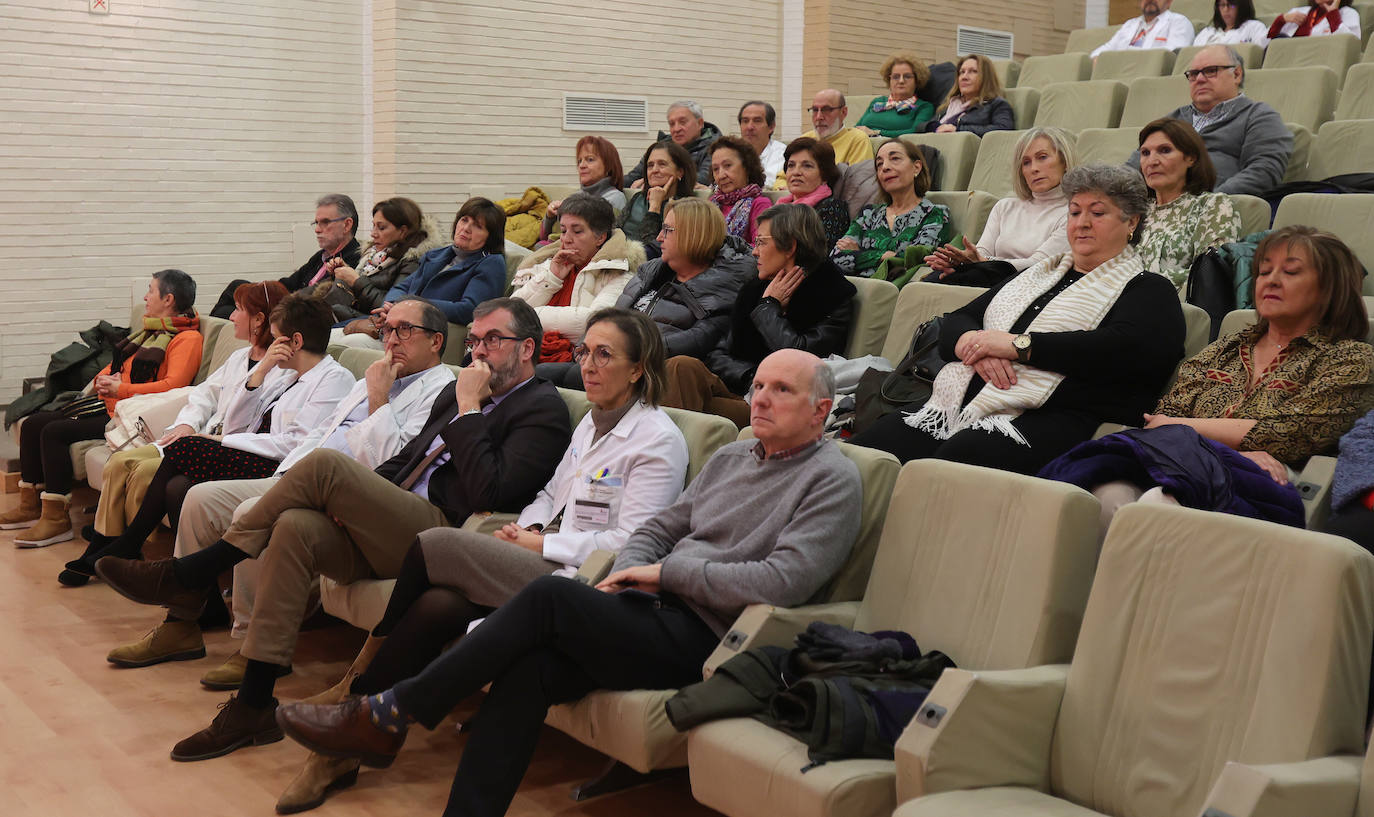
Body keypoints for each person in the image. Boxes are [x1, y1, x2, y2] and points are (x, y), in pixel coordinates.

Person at [272, 348, 862, 817]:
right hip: (650, 607)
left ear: (821, 410)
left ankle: (387, 712)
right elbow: (660, 527)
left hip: (714, 638)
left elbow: (783, 582)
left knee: (553, 595)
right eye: (757, 386)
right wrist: (635, 571)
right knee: (529, 670)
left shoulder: (831, 479)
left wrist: (664, 573)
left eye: (781, 390)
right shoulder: (735, 457)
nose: (760, 399)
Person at [94, 298, 572, 762]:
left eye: (493, 341)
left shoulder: (539, 408)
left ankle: (192, 572)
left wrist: (469, 409)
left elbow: (489, 492)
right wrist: (360, 502)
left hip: (443, 533)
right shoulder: (457, 391)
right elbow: (403, 462)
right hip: (395, 514)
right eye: (476, 341)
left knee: (324, 465)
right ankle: (253, 704)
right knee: (295, 525)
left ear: (527, 348)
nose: (480, 352)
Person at [272, 308, 689, 813]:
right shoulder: (594, 423)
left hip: (584, 577)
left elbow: (633, 541)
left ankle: (360, 700)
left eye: (605, 355)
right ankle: (353, 738)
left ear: (639, 368)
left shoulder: (658, 439)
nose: (588, 366)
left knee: (434, 545)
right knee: (440, 605)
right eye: (584, 352)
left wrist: (544, 546)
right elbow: (550, 492)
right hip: (541, 555)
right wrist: (530, 526)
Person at [104, 297, 456, 675]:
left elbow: (390, 463)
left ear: (436, 341)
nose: (391, 340)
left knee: (246, 511)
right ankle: (181, 624)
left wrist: (378, 397)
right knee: (199, 498)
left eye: (405, 330)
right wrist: (285, 474)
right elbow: (322, 435)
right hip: (296, 473)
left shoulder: (439, 390)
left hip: (352, 493)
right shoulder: (374, 373)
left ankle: (251, 641)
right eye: (388, 330)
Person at [849, 164, 1186, 474]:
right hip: (962, 397)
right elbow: (958, 320)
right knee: (862, 455)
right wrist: (974, 345)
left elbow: (1127, 353)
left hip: (1055, 414)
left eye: (1098, 213)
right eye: (1074, 211)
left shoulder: (1148, 289)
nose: (1081, 222)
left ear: (1132, 222)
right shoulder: (1037, 274)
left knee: (947, 469)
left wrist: (1017, 347)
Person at [1044, 225, 1374, 530]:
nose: (1270, 280)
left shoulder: (1349, 358)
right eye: (1263, 271)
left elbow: (1288, 434)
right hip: (1187, 460)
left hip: (1276, 477)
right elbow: (1163, 418)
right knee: (1107, 495)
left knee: (1164, 502)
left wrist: (1198, 439)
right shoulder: (1226, 346)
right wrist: (1227, 451)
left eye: (1290, 272)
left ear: (1330, 289)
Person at [61, 294, 357, 580]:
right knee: (178, 486)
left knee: (186, 448)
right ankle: (196, 590)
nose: (270, 344)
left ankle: (130, 542)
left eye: (277, 338)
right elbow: (239, 421)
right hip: (254, 451)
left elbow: (295, 445)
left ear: (295, 342)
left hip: (280, 468)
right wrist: (260, 373)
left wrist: (222, 442)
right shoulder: (287, 375)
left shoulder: (334, 379)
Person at [3, 269, 204, 547]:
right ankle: (30, 507)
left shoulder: (186, 339)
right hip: (114, 402)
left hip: (133, 416)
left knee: (53, 432)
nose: (145, 297)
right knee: (35, 422)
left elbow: (173, 387)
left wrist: (121, 389)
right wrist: (104, 379)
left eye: (150, 290)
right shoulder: (151, 329)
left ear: (168, 299)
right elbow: (118, 364)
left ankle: (56, 521)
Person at [663, 205, 856, 427]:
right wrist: (752, 377)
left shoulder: (831, 293)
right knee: (681, 367)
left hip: (781, 404)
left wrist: (768, 308)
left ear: (790, 246)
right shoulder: (754, 288)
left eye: (762, 242)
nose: (754, 251)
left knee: (678, 394)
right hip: (743, 389)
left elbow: (799, 358)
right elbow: (718, 354)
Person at [536, 199, 752, 389]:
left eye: (667, 230)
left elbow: (697, 341)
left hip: (652, 372)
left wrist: (621, 351)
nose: (658, 237)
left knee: (543, 379)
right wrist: (586, 347)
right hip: (615, 361)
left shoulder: (722, 286)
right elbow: (611, 318)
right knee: (533, 377)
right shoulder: (652, 272)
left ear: (693, 235)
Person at [335, 197, 506, 349]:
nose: (466, 228)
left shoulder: (490, 263)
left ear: (490, 237)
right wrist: (394, 305)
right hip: (396, 327)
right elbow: (402, 287)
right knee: (328, 339)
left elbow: (470, 309)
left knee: (347, 345)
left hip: (425, 338)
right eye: (464, 220)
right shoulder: (438, 254)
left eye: (477, 226)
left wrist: (412, 307)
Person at [925, 127, 1075, 287]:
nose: (1034, 169)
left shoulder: (1075, 214)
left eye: (1042, 157)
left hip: (1028, 284)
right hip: (987, 275)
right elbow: (981, 253)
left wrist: (982, 261)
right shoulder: (1005, 206)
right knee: (938, 277)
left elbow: (1037, 264)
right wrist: (959, 260)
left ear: (1064, 161)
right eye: (1026, 163)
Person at [1141, 45, 1292, 196]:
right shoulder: (1172, 120)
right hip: (1159, 208)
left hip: (1216, 210)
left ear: (1236, 74)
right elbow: (1133, 168)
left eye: (1210, 71)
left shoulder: (1259, 116)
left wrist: (1209, 203)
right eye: (1193, 74)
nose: (1199, 79)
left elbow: (1264, 171)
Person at [510, 193, 645, 351]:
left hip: (578, 358)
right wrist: (552, 277)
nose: (566, 239)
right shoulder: (550, 263)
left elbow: (594, 322)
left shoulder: (619, 272)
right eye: (563, 230)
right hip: (529, 349)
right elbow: (510, 310)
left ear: (600, 238)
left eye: (577, 231)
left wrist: (528, 316)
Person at [209, 194, 361, 319]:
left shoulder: (355, 260)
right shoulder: (321, 256)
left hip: (299, 313)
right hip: (287, 302)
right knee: (237, 288)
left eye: (325, 222)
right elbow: (288, 283)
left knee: (228, 313)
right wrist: (263, 290)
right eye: (316, 223)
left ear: (347, 225)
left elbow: (330, 299)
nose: (317, 230)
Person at [1136, 118, 1241, 290]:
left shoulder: (1212, 205)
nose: (1152, 161)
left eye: (1165, 150)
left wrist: (1136, 285)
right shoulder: (1135, 211)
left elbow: (1209, 274)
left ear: (1190, 158)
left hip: (1178, 309)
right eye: (1145, 153)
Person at [831, 139, 953, 279]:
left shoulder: (934, 214)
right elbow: (836, 257)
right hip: (858, 290)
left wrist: (860, 253)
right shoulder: (868, 214)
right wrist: (885, 256)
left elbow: (917, 260)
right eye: (879, 164)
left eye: (895, 158)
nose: (885, 167)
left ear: (916, 167)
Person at [310, 197, 436, 323]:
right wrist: (342, 273)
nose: (373, 233)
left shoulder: (412, 262)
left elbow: (392, 307)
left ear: (402, 231)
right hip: (354, 314)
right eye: (373, 226)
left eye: (381, 228)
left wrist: (356, 281)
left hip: (377, 324)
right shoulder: (373, 253)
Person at [775, 89, 875, 188]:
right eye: (815, 110)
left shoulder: (857, 139)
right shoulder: (805, 139)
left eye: (826, 110)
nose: (819, 117)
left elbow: (859, 183)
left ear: (844, 112)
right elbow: (781, 179)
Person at [617, 140, 696, 258]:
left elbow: (653, 252)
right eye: (650, 165)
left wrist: (654, 207)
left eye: (662, 164)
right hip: (618, 261)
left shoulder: (686, 207)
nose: (654, 170)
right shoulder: (637, 198)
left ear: (679, 172)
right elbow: (615, 232)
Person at [540, 136, 628, 241]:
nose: (582, 165)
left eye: (590, 160)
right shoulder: (576, 196)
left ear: (608, 166)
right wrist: (550, 216)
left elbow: (603, 241)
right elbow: (543, 237)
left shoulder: (615, 198)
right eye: (579, 161)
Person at [778, 136, 851, 251]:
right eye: (791, 165)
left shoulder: (832, 207)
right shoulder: (778, 208)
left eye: (807, 166)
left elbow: (821, 254)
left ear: (824, 176)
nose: (796, 172)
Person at [624, 100, 720, 187]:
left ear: (700, 123)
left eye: (682, 122)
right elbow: (633, 177)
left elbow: (704, 179)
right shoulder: (661, 147)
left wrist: (656, 181)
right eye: (672, 124)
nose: (676, 129)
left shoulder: (716, 148)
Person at [921, 54, 1014, 136]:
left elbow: (1004, 130)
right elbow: (921, 127)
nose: (964, 77)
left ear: (986, 77)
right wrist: (934, 127)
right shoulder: (948, 105)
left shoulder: (997, 105)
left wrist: (958, 130)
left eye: (973, 71)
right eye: (962, 72)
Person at [708, 136, 773, 244]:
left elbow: (760, 248)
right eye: (716, 169)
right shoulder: (711, 204)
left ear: (747, 167)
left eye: (727, 165)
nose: (721, 175)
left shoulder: (759, 204)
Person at [856, 54, 935, 137]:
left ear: (917, 80)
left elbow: (915, 133)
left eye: (907, 76)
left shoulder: (924, 107)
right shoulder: (877, 101)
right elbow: (857, 128)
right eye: (896, 77)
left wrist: (876, 133)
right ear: (889, 80)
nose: (901, 81)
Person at [1091, 0, 1195, 57]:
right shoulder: (1130, 25)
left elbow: (1174, 56)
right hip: (1121, 73)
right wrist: (1097, 58)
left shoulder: (1179, 22)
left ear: (1169, 2)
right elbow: (1104, 50)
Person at [738, 100, 786, 185]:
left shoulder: (783, 156)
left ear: (771, 127)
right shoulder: (732, 154)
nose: (749, 127)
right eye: (745, 121)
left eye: (757, 121)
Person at [1268, 0, 1361, 38]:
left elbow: (1350, 44)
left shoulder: (1348, 13)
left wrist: (1333, 15)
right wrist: (1280, 20)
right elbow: (1266, 44)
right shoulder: (1297, 12)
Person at [1194, 0, 1270, 45]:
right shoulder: (1207, 32)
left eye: (1231, 5)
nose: (1226, 9)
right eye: (1222, 5)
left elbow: (1259, 49)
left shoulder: (1253, 26)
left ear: (1242, 6)